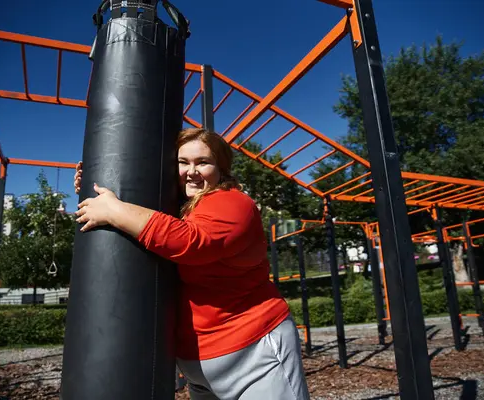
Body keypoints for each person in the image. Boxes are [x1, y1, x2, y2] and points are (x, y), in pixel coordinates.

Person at [73, 127, 310, 400]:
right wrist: (97, 183)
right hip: (198, 362)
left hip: (252, 352)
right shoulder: (183, 207)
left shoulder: (233, 202)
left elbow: (192, 241)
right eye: (183, 162)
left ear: (221, 168)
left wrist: (115, 210)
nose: (191, 171)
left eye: (203, 162)